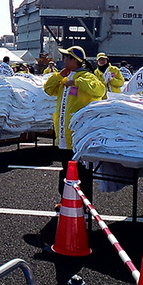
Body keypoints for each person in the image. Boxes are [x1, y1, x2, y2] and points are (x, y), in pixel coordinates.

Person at [43, 46, 105, 196]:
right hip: (64, 134)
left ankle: (84, 202)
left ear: (74, 60)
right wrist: (59, 76)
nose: (63, 60)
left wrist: (77, 83)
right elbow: (48, 89)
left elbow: (100, 90)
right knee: (66, 169)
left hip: (78, 135)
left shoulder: (86, 77)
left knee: (82, 171)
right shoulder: (65, 77)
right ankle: (66, 200)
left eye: (66, 57)